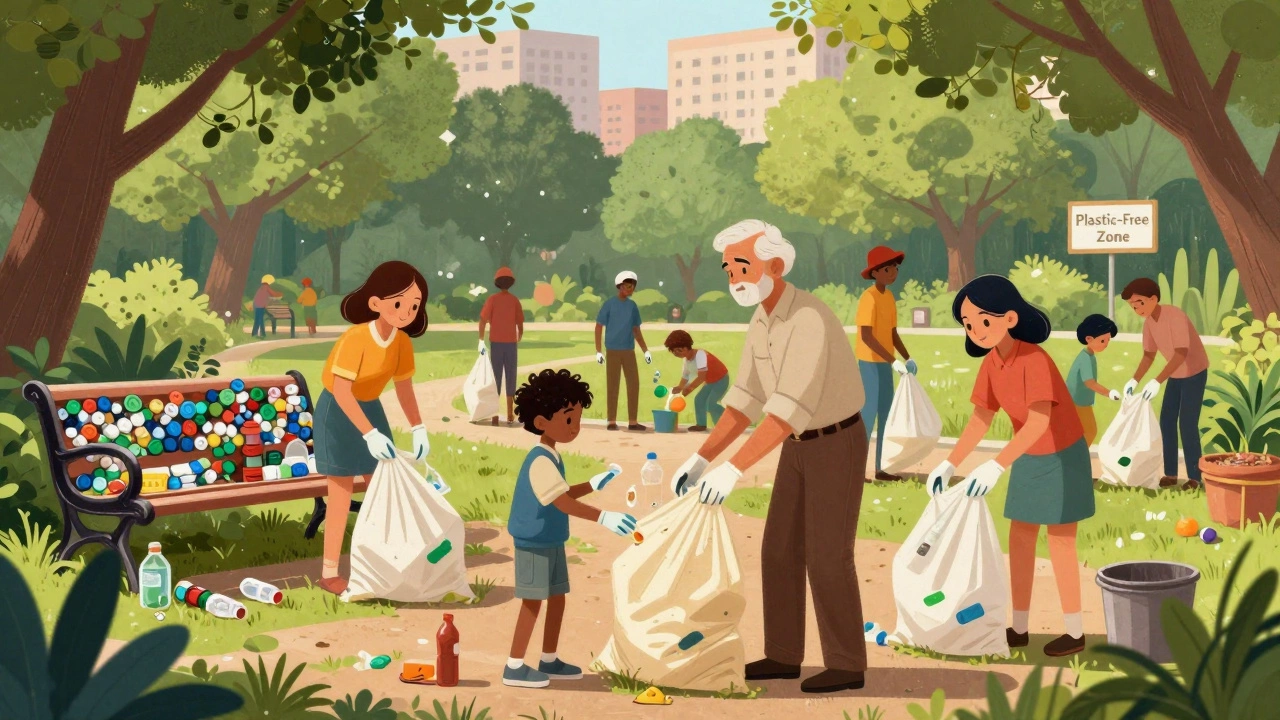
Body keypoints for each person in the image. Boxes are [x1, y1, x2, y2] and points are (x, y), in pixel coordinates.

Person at [672, 219, 869, 694]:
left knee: (827, 557)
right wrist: (701, 458)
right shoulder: (761, 320)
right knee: (778, 550)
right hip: (797, 447)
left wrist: (732, 469)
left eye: (743, 265)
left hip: (835, 442)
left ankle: (846, 663)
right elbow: (744, 401)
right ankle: (783, 655)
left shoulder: (809, 319)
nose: (733, 276)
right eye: (728, 268)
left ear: (775, 265)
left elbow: (785, 411)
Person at [927, 274, 1094, 658]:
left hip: (1062, 455)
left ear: (1010, 318)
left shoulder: (1035, 359)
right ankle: (1019, 627)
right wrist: (950, 463)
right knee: (1020, 540)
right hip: (1028, 456)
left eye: (984, 321)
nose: (976, 330)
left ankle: (1074, 631)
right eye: (968, 325)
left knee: (1061, 542)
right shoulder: (991, 363)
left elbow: (1038, 422)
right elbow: (980, 419)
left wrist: (995, 466)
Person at [503, 369, 635, 689]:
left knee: (558, 597)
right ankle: (514, 666)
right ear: (541, 423)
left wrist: (592, 483)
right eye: (567, 420)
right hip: (534, 542)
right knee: (533, 602)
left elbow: (561, 494)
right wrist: (604, 517)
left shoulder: (552, 456)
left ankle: (548, 658)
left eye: (577, 419)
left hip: (550, 540)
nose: (574, 428)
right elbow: (562, 504)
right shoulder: (540, 461)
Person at [313, 261, 431, 595]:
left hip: (371, 410)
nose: (406, 311)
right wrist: (368, 434)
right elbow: (341, 391)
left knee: (383, 489)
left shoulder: (401, 342)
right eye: (399, 303)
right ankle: (330, 572)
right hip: (337, 414)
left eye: (414, 305)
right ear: (376, 302)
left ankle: (384, 564)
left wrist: (418, 427)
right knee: (340, 493)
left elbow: (404, 387)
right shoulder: (356, 338)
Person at [1121, 278, 1210, 490]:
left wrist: (1156, 380)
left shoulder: (1175, 316)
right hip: (1176, 374)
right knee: (1167, 422)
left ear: (1154, 298)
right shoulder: (1149, 323)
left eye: (1140, 303)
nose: (1137, 309)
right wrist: (1135, 379)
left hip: (1194, 372)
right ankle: (1171, 473)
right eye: (1133, 306)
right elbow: (1149, 355)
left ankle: (1195, 478)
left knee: (1187, 425)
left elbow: (1181, 353)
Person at [856, 245, 917, 481]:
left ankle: (881, 469)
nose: (893, 273)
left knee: (886, 417)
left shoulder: (889, 297)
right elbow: (866, 337)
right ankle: (856, 470)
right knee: (867, 417)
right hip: (869, 364)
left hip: (886, 365)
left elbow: (892, 332)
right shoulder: (868, 298)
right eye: (888, 268)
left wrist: (907, 356)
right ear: (875, 272)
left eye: (895, 268)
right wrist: (893, 361)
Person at [594, 270, 652, 431]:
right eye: (628, 286)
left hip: (629, 351)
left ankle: (632, 421)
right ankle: (611, 420)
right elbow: (599, 327)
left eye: (632, 286)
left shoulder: (632, 306)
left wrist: (645, 350)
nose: (631, 289)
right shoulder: (609, 304)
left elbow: (636, 330)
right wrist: (598, 351)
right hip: (612, 350)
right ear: (620, 286)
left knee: (633, 384)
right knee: (613, 385)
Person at [479, 266, 525, 426]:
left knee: (496, 377)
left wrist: (480, 339)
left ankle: (495, 415)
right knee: (511, 376)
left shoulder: (492, 299)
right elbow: (520, 322)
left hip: (496, 344)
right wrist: (519, 335)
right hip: (510, 344)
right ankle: (510, 413)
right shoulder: (514, 300)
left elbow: (483, 320)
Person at [1067, 314, 1122, 446]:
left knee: (1085, 431)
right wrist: (1108, 393)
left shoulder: (1089, 356)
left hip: (1079, 401)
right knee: (1089, 431)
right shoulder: (1085, 358)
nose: (1106, 344)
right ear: (1089, 339)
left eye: (1108, 340)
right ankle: (1075, 458)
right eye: (1103, 341)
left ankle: (1075, 457)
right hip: (1076, 402)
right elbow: (1089, 382)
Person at [664, 329, 730, 432]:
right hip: (710, 381)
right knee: (699, 400)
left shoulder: (700, 355)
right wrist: (680, 387)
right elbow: (685, 376)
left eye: (679, 350)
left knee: (710, 404)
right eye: (674, 351)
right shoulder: (686, 360)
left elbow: (701, 377)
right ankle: (701, 424)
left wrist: (688, 389)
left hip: (721, 379)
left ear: (687, 347)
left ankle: (725, 424)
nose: (677, 353)